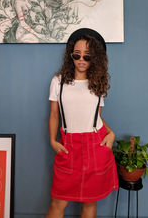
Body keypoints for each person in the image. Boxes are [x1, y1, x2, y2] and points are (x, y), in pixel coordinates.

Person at [46, 28, 118, 218]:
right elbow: (54, 114)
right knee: (57, 204)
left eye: (87, 56)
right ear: (71, 55)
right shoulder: (58, 82)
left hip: (95, 145)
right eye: (77, 55)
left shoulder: (97, 84)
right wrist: (53, 141)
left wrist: (111, 134)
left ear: (95, 58)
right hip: (68, 146)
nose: (81, 60)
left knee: (89, 204)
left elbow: (95, 117)